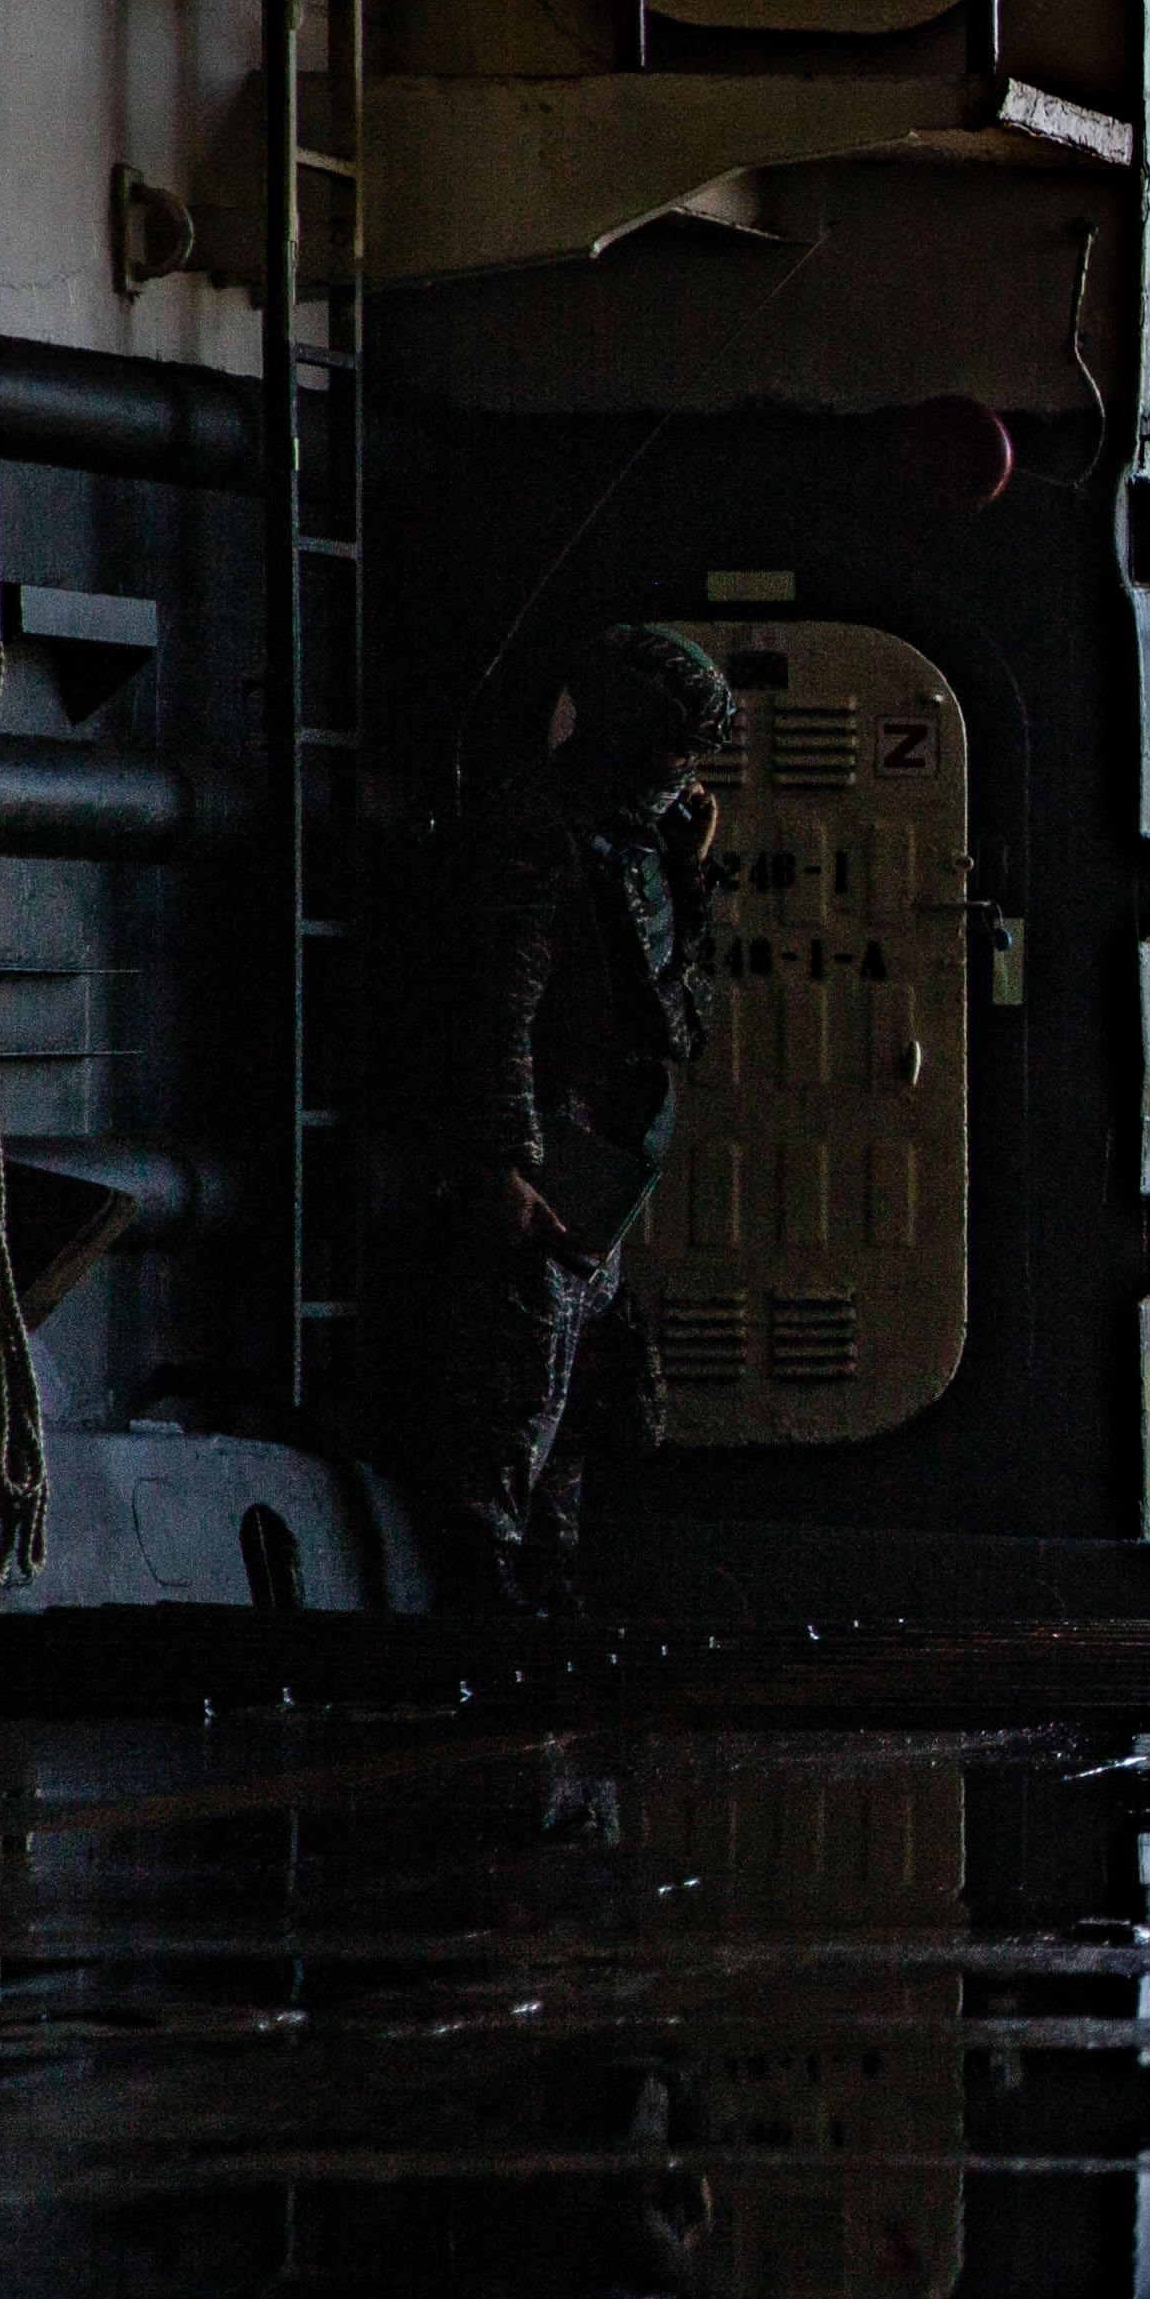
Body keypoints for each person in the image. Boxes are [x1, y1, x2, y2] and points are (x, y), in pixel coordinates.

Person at [414, 623, 735, 1610]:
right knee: (519, 1397)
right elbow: (497, 1008)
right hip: (548, 1149)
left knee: (576, 1400)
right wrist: (505, 1160)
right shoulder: (538, 834)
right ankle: (488, 1603)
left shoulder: (632, 849)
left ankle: (546, 1598)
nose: (685, 778)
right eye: (675, 753)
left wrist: (687, 873)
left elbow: (674, 1012)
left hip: (597, 1153)